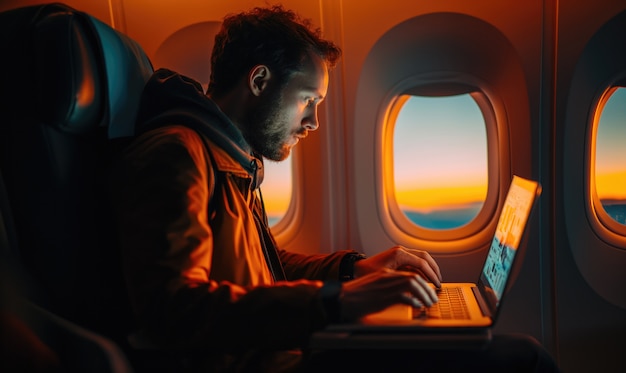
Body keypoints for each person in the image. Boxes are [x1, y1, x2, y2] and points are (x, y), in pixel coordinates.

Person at [109, 5, 559, 372]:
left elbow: (264, 265)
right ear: (260, 81)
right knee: (524, 360)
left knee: (507, 351)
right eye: (308, 100)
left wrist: (353, 270)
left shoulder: (228, 156)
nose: (312, 122)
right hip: (264, 362)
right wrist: (336, 303)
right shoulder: (177, 155)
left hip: (287, 349)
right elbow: (173, 309)